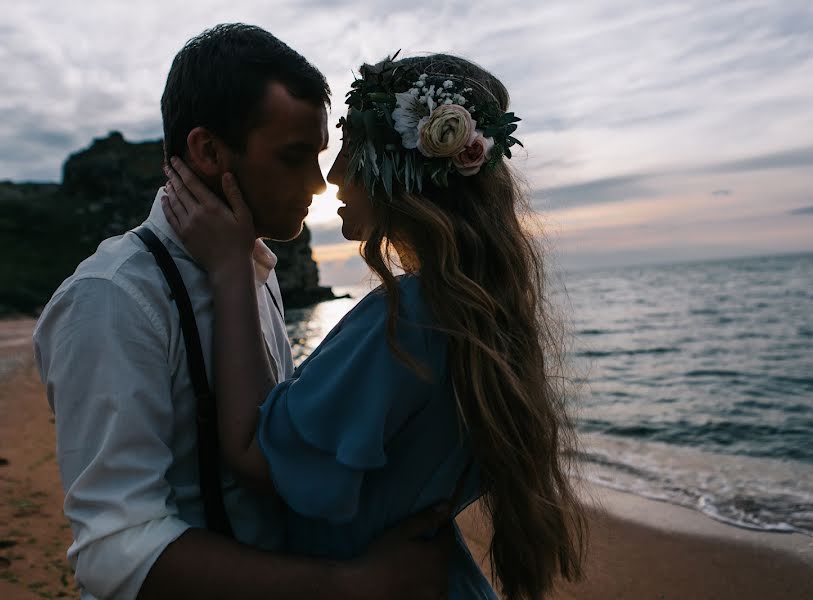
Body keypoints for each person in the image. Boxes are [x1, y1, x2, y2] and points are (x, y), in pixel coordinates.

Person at [33, 25, 452, 600]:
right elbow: (116, 552)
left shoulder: (253, 268)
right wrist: (349, 584)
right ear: (209, 151)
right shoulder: (111, 299)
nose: (317, 184)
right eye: (294, 157)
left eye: (320, 155)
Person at [161, 53, 587, 600]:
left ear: (406, 171)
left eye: (352, 148)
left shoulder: (410, 315)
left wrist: (230, 269)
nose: (332, 174)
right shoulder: (473, 311)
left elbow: (251, 454)